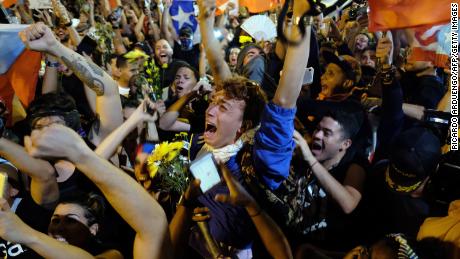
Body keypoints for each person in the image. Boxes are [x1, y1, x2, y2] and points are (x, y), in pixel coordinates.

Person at [187, 0, 312, 255]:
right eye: (213, 103)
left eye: (223, 108)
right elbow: (219, 68)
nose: (210, 110)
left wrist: (303, 18)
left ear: (243, 126)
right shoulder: (207, 145)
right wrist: (205, 21)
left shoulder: (261, 159)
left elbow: (286, 98)